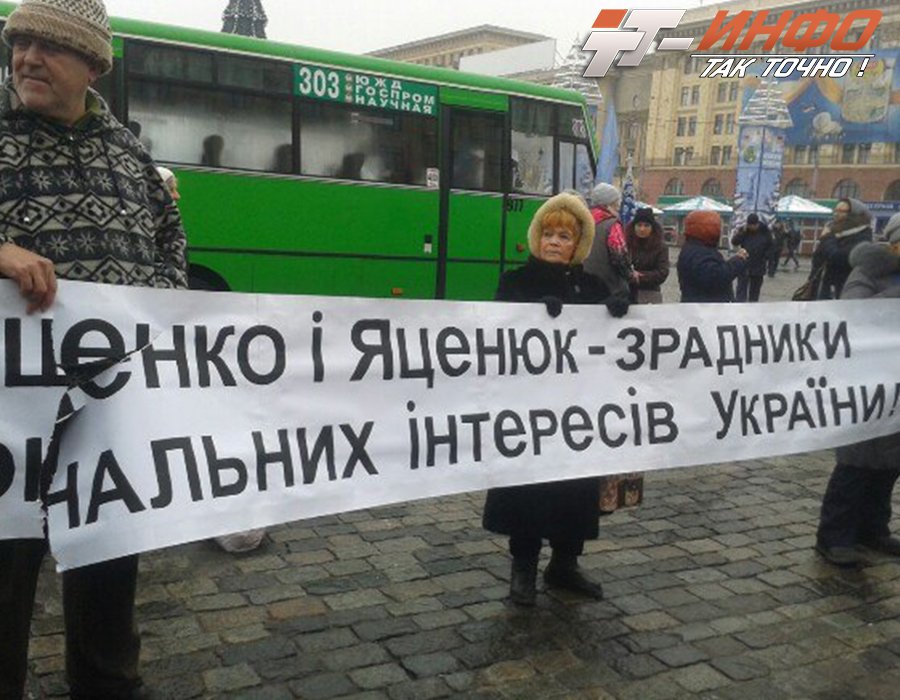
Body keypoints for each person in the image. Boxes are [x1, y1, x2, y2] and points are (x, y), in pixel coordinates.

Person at [0, 1, 187, 698]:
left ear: (93, 64)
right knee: (7, 573)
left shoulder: (129, 151)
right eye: (20, 43)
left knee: (108, 567)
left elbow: (172, 245)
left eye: (48, 46)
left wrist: (157, 307)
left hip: (108, 416)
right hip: (9, 425)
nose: (26, 59)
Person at [483, 192, 622, 607]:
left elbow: (614, 343)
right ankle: (523, 567)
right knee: (527, 490)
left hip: (577, 415)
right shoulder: (515, 281)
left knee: (573, 494)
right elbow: (494, 332)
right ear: (536, 237)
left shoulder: (592, 286)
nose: (555, 241)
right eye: (548, 233)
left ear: (577, 242)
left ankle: (565, 563)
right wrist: (530, 311)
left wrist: (618, 309)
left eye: (565, 235)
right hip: (528, 414)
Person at [815, 213, 900, 567]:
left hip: (896, 385)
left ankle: (873, 529)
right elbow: (857, 314)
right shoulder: (868, 270)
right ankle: (834, 536)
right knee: (857, 464)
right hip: (866, 383)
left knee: (888, 466)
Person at [582, 182, 632, 315]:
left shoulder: (583, 222)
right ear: (608, 204)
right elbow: (620, 257)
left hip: (583, 287)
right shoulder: (612, 224)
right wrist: (631, 275)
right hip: (610, 291)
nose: (618, 206)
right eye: (616, 203)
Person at [677, 210, 748, 303]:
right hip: (706, 309)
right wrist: (738, 260)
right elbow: (716, 277)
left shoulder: (696, 248)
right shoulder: (699, 252)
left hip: (699, 305)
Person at [810, 198, 873, 299]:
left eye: (842, 211)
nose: (836, 214)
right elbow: (818, 259)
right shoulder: (834, 231)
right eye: (836, 210)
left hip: (841, 291)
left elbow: (837, 257)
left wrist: (827, 237)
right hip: (822, 287)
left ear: (854, 215)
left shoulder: (862, 236)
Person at [625, 207, 669, 304]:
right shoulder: (626, 244)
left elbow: (662, 272)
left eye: (646, 225)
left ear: (652, 228)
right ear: (634, 226)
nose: (642, 229)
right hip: (626, 293)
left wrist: (640, 276)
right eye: (639, 225)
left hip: (650, 293)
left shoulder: (660, 247)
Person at [731, 213, 773, 302]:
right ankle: (740, 308)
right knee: (741, 291)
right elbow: (734, 242)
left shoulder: (765, 231)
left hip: (759, 266)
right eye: (749, 225)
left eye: (753, 225)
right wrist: (741, 232)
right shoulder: (744, 231)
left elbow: (771, 246)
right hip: (744, 265)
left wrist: (765, 257)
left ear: (757, 224)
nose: (751, 227)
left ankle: (752, 309)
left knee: (754, 293)